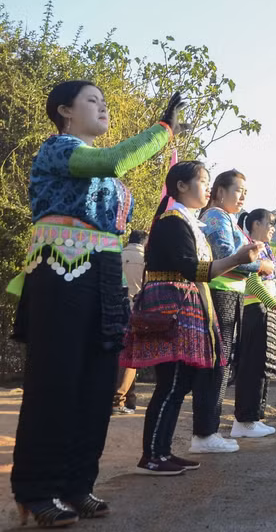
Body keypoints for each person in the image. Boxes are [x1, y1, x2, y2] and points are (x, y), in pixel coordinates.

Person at [7, 82, 180, 526]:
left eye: (104, 102)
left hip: (104, 276)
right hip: (61, 271)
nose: (102, 107)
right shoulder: (59, 150)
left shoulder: (109, 176)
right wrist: (162, 130)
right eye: (92, 101)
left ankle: (76, 485)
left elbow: (115, 172)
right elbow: (114, 157)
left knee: (97, 384)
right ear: (64, 110)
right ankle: (36, 489)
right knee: (55, 381)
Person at [120, 161, 265, 477]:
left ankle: (161, 450)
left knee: (178, 381)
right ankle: (152, 455)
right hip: (171, 306)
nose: (208, 188)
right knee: (171, 382)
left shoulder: (186, 222)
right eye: (203, 181)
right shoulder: (173, 221)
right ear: (182, 186)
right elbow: (193, 269)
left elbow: (197, 269)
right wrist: (238, 260)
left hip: (184, 304)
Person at [195, 170, 271, 453]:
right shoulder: (214, 216)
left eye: (245, 192)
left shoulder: (227, 218)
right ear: (219, 191)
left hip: (233, 294)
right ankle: (204, 433)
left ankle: (209, 430)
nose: (242, 196)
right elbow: (229, 255)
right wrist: (260, 266)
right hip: (221, 292)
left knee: (224, 362)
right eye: (238, 190)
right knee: (216, 364)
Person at [232, 209, 276, 438]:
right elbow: (254, 284)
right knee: (251, 366)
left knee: (263, 365)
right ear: (255, 224)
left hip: (266, 308)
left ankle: (255, 416)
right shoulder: (250, 247)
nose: (272, 228)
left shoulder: (267, 247)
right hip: (254, 308)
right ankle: (244, 420)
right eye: (270, 224)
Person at [113, 229, 148, 415]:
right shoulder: (146, 260)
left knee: (118, 353)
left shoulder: (118, 254)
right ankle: (119, 400)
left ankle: (128, 399)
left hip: (114, 309)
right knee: (131, 356)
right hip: (136, 309)